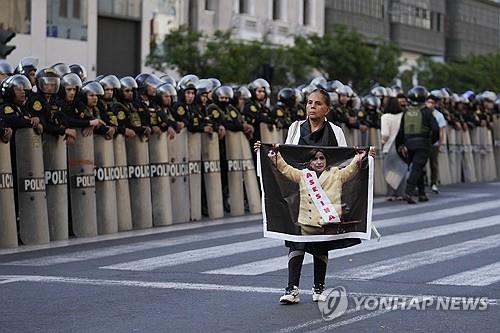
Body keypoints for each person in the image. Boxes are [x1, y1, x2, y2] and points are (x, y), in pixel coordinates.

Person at [254, 88, 373, 305]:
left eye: (317, 104)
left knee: (320, 242)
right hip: (301, 190)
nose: (312, 107)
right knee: (296, 240)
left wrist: (364, 157)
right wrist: (266, 151)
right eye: (309, 103)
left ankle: (319, 287)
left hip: (326, 195)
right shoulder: (295, 127)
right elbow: (286, 154)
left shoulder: (335, 131)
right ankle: (292, 288)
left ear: (327, 108)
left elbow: (344, 160)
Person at [396, 86, 439, 204]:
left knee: (419, 168)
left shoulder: (406, 112)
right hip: (423, 143)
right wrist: (431, 141)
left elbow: (401, 130)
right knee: (417, 167)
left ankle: (422, 193)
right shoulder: (427, 111)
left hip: (409, 144)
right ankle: (408, 192)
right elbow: (435, 129)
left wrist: (400, 145)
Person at [381, 97, 406, 201]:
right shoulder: (403, 115)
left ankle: (391, 193)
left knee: (389, 171)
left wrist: (383, 141)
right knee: (401, 170)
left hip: (389, 147)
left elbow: (385, 133)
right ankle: (401, 193)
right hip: (401, 147)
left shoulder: (385, 117)